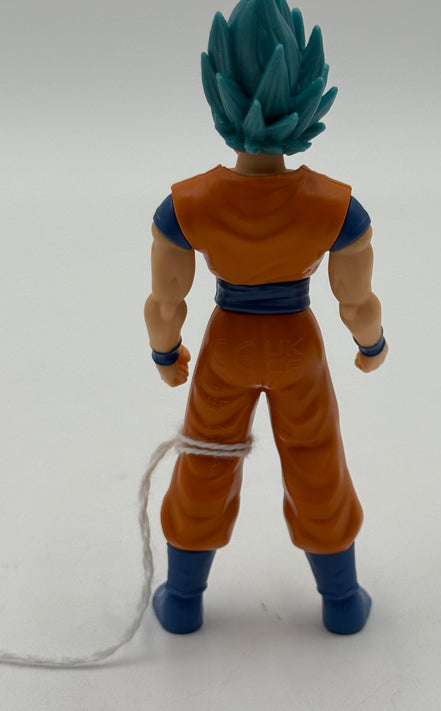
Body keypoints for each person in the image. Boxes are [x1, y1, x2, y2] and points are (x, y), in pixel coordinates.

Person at [144, 0, 388, 636]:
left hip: (226, 343)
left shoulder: (185, 206)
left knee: (205, 459)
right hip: (296, 345)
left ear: (218, 94)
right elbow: (356, 301)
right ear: (309, 99)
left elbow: (166, 302)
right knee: (317, 459)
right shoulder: (339, 209)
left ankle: (182, 601)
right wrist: (372, 346)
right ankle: (341, 602)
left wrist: (166, 355)